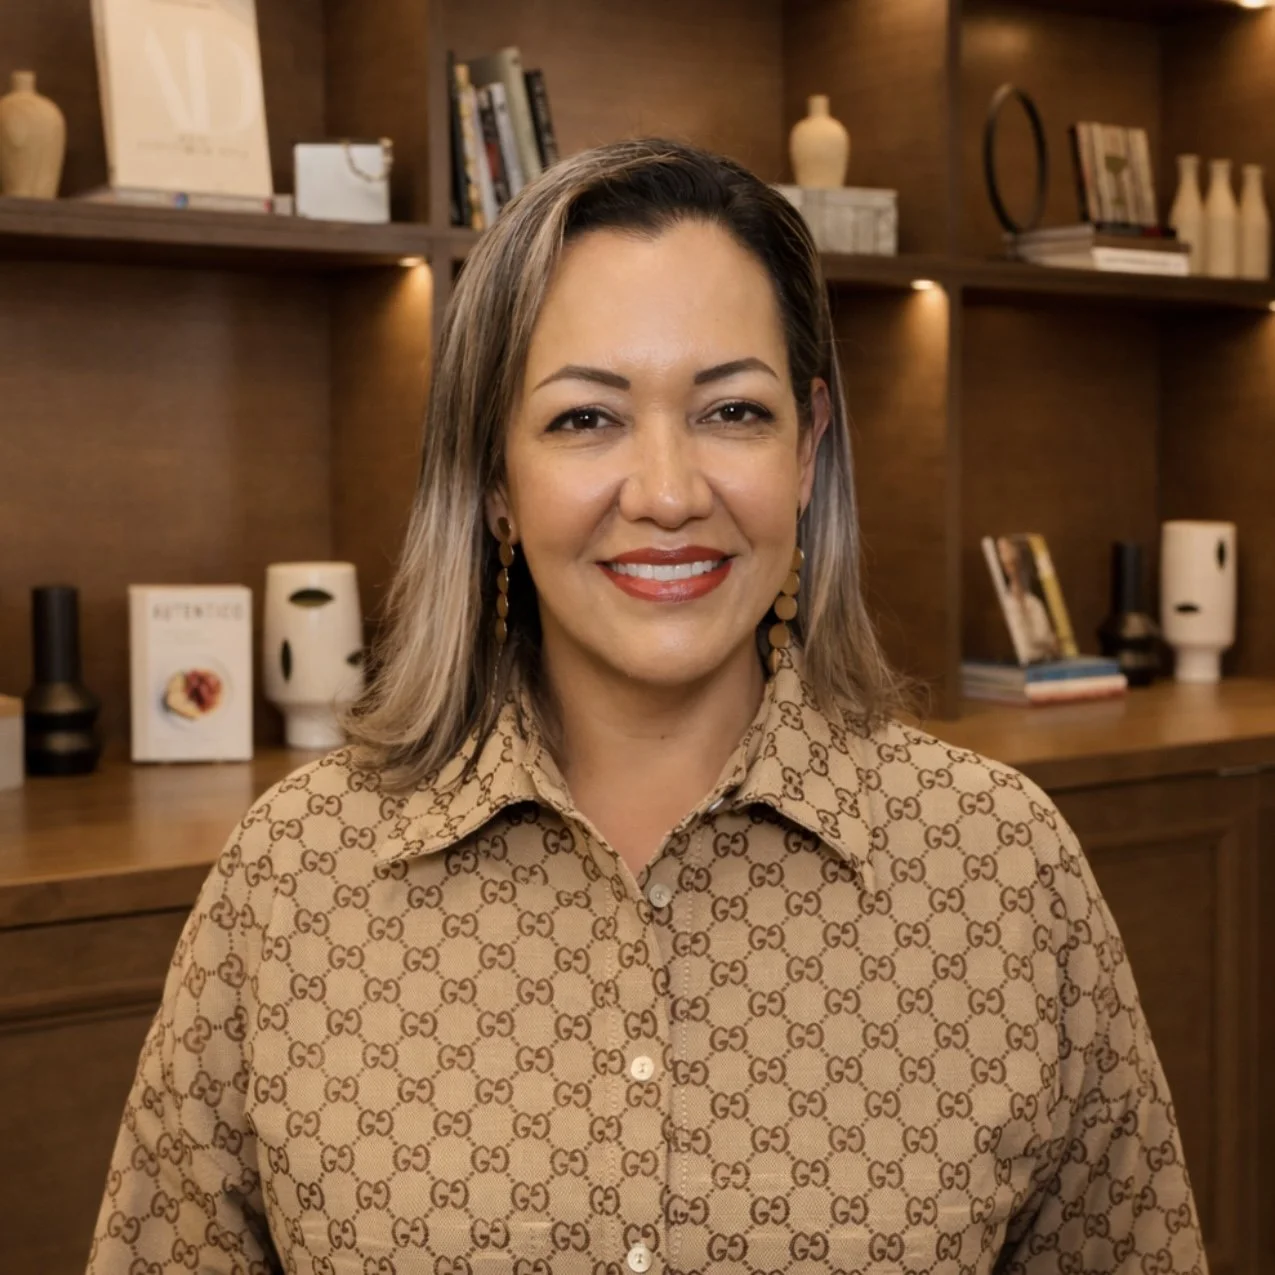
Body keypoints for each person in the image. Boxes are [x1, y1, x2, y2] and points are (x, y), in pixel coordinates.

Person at [86, 139, 1208, 1274]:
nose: (669, 494)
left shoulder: (1003, 870)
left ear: (810, 447)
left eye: (732, 412)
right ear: (491, 479)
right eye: (586, 420)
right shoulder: (295, 875)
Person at [996, 536, 1060, 663]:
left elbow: (1049, 645)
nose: (1012, 570)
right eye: (1007, 565)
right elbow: (1025, 651)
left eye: (1015, 563)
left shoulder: (1034, 604)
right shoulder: (1005, 606)